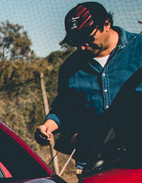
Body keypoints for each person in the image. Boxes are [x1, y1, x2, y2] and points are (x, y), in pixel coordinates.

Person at [33, 2, 142, 169]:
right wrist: (48, 126)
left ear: (106, 24)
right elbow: (65, 108)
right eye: (76, 42)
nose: (83, 46)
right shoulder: (71, 67)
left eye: (88, 38)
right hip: (95, 163)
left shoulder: (139, 49)